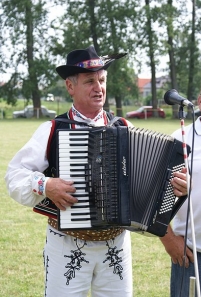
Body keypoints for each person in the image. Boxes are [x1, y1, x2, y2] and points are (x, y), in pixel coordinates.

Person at [5, 46, 188, 297]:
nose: (98, 87)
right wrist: (46, 185)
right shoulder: (53, 129)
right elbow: (14, 176)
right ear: (70, 87)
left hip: (117, 246)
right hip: (66, 245)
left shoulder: (124, 127)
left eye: (101, 80)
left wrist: (176, 185)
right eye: (90, 81)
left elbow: (154, 180)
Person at [160, 81, 201, 297]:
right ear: (200, 101)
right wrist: (168, 239)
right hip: (190, 254)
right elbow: (152, 194)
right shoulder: (180, 138)